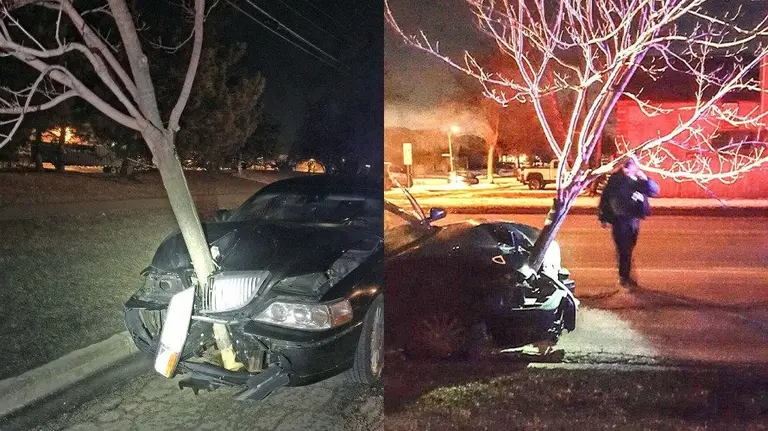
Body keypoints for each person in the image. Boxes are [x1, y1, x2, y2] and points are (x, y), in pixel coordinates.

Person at [598, 157, 660, 289]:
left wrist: (645, 179)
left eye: (630, 166)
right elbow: (605, 198)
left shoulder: (638, 180)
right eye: (626, 166)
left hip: (634, 219)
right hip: (620, 219)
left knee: (629, 247)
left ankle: (625, 274)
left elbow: (654, 191)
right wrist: (603, 217)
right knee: (623, 249)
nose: (627, 169)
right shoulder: (616, 180)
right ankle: (624, 276)